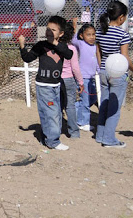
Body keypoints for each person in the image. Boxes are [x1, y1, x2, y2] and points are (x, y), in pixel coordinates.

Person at [18, 16, 73, 150]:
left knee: (52, 113)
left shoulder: (61, 46)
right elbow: (27, 58)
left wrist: (55, 43)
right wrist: (22, 46)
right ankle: (53, 141)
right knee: (51, 112)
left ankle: (46, 138)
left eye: (53, 30)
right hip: (44, 86)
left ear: (60, 34)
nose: (49, 31)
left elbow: (69, 54)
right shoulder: (41, 45)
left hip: (56, 85)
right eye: (48, 28)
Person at [95, 0, 133, 148]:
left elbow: (98, 52)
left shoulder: (100, 32)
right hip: (118, 73)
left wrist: (101, 66)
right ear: (121, 17)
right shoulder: (123, 34)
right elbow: (125, 57)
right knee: (114, 108)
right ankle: (109, 139)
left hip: (104, 71)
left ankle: (100, 135)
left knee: (104, 103)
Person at [72, 24, 100, 132]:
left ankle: (73, 107)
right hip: (83, 77)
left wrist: (99, 70)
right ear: (82, 36)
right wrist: (74, 27)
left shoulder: (95, 47)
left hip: (92, 78)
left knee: (92, 99)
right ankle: (82, 122)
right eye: (88, 34)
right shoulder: (81, 44)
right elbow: (73, 39)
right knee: (85, 100)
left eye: (93, 34)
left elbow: (97, 61)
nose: (92, 37)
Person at [60, 23, 83, 139]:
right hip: (69, 79)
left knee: (58, 106)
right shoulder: (71, 48)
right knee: (70, 106)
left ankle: (57, 129)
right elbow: (75, 68)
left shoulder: (55, 47)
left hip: (57, 79)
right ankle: (73, 132)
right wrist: (80, 82)